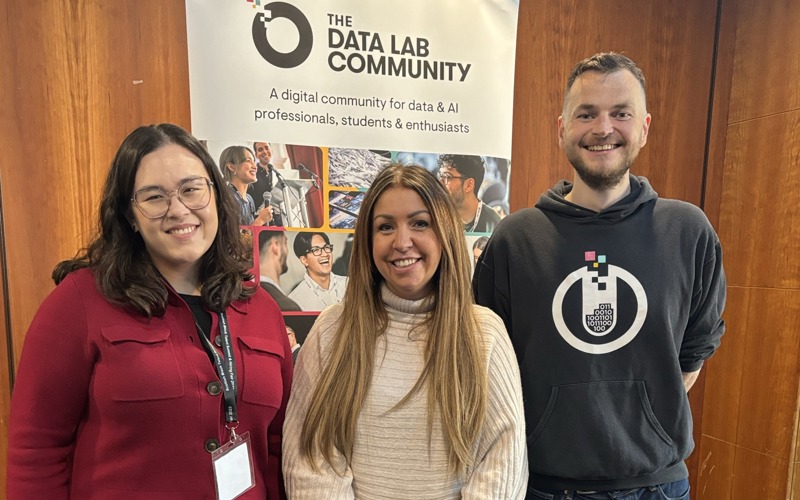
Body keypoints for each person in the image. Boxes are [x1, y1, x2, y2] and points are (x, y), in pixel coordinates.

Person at [473, 52, 726, 499]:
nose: (603, 128)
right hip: (541, 485)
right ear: (562, 129)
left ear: (644, 126)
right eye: (586, 114)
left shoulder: (687, 232)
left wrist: (642, 417)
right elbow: (491, 367)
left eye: (620, 113)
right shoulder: (516, 240)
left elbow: (692, 354)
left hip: (657, 487)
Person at [7, 124, 293, 499]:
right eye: (155, 197)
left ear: (215, 195)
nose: (178, 210)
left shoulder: (262, 310)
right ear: (130, 216)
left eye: (192, 189)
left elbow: (278, 447)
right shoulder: (79, 303)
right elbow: (37, 450)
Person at [282, 164, 528, 499]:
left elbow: (503, 461)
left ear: (444, 233)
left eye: (419, 223)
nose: (402, 242)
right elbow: (311, 462)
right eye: (385, 227)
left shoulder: (483, 333)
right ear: (368, 240)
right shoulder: (333, 330)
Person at [437, 154, 501, 233]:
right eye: (440, 175)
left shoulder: (492, 223)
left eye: (447, 177)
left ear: (469, 185)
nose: (440, 182)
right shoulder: (437, 217)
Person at [288, 232, 348, 311]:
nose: (325, 254)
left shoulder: (349, 284)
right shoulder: (295, 300)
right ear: (304, 260)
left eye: (326, 247)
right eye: (316, 250)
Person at [219, 145, 273, 226]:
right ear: (231, 167)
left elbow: (250, 234)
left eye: (254, 162)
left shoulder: (249, 199)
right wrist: (260, 220)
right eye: (248, 161)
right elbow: (235, 237)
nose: (255, 166)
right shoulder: (227, 198)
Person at [258, 229, 302, 311]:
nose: (287, 250)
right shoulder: (288, 307)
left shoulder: (238, 297)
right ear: (276, 246)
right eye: (285, 243)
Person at [252, 141, 285, 226]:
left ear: (271, 150)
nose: (265, 151)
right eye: (260, 149)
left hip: (278, 220)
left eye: (266, 148)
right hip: (261, 221)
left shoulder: (276, 172)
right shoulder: (252, 174)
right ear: (256, 155)